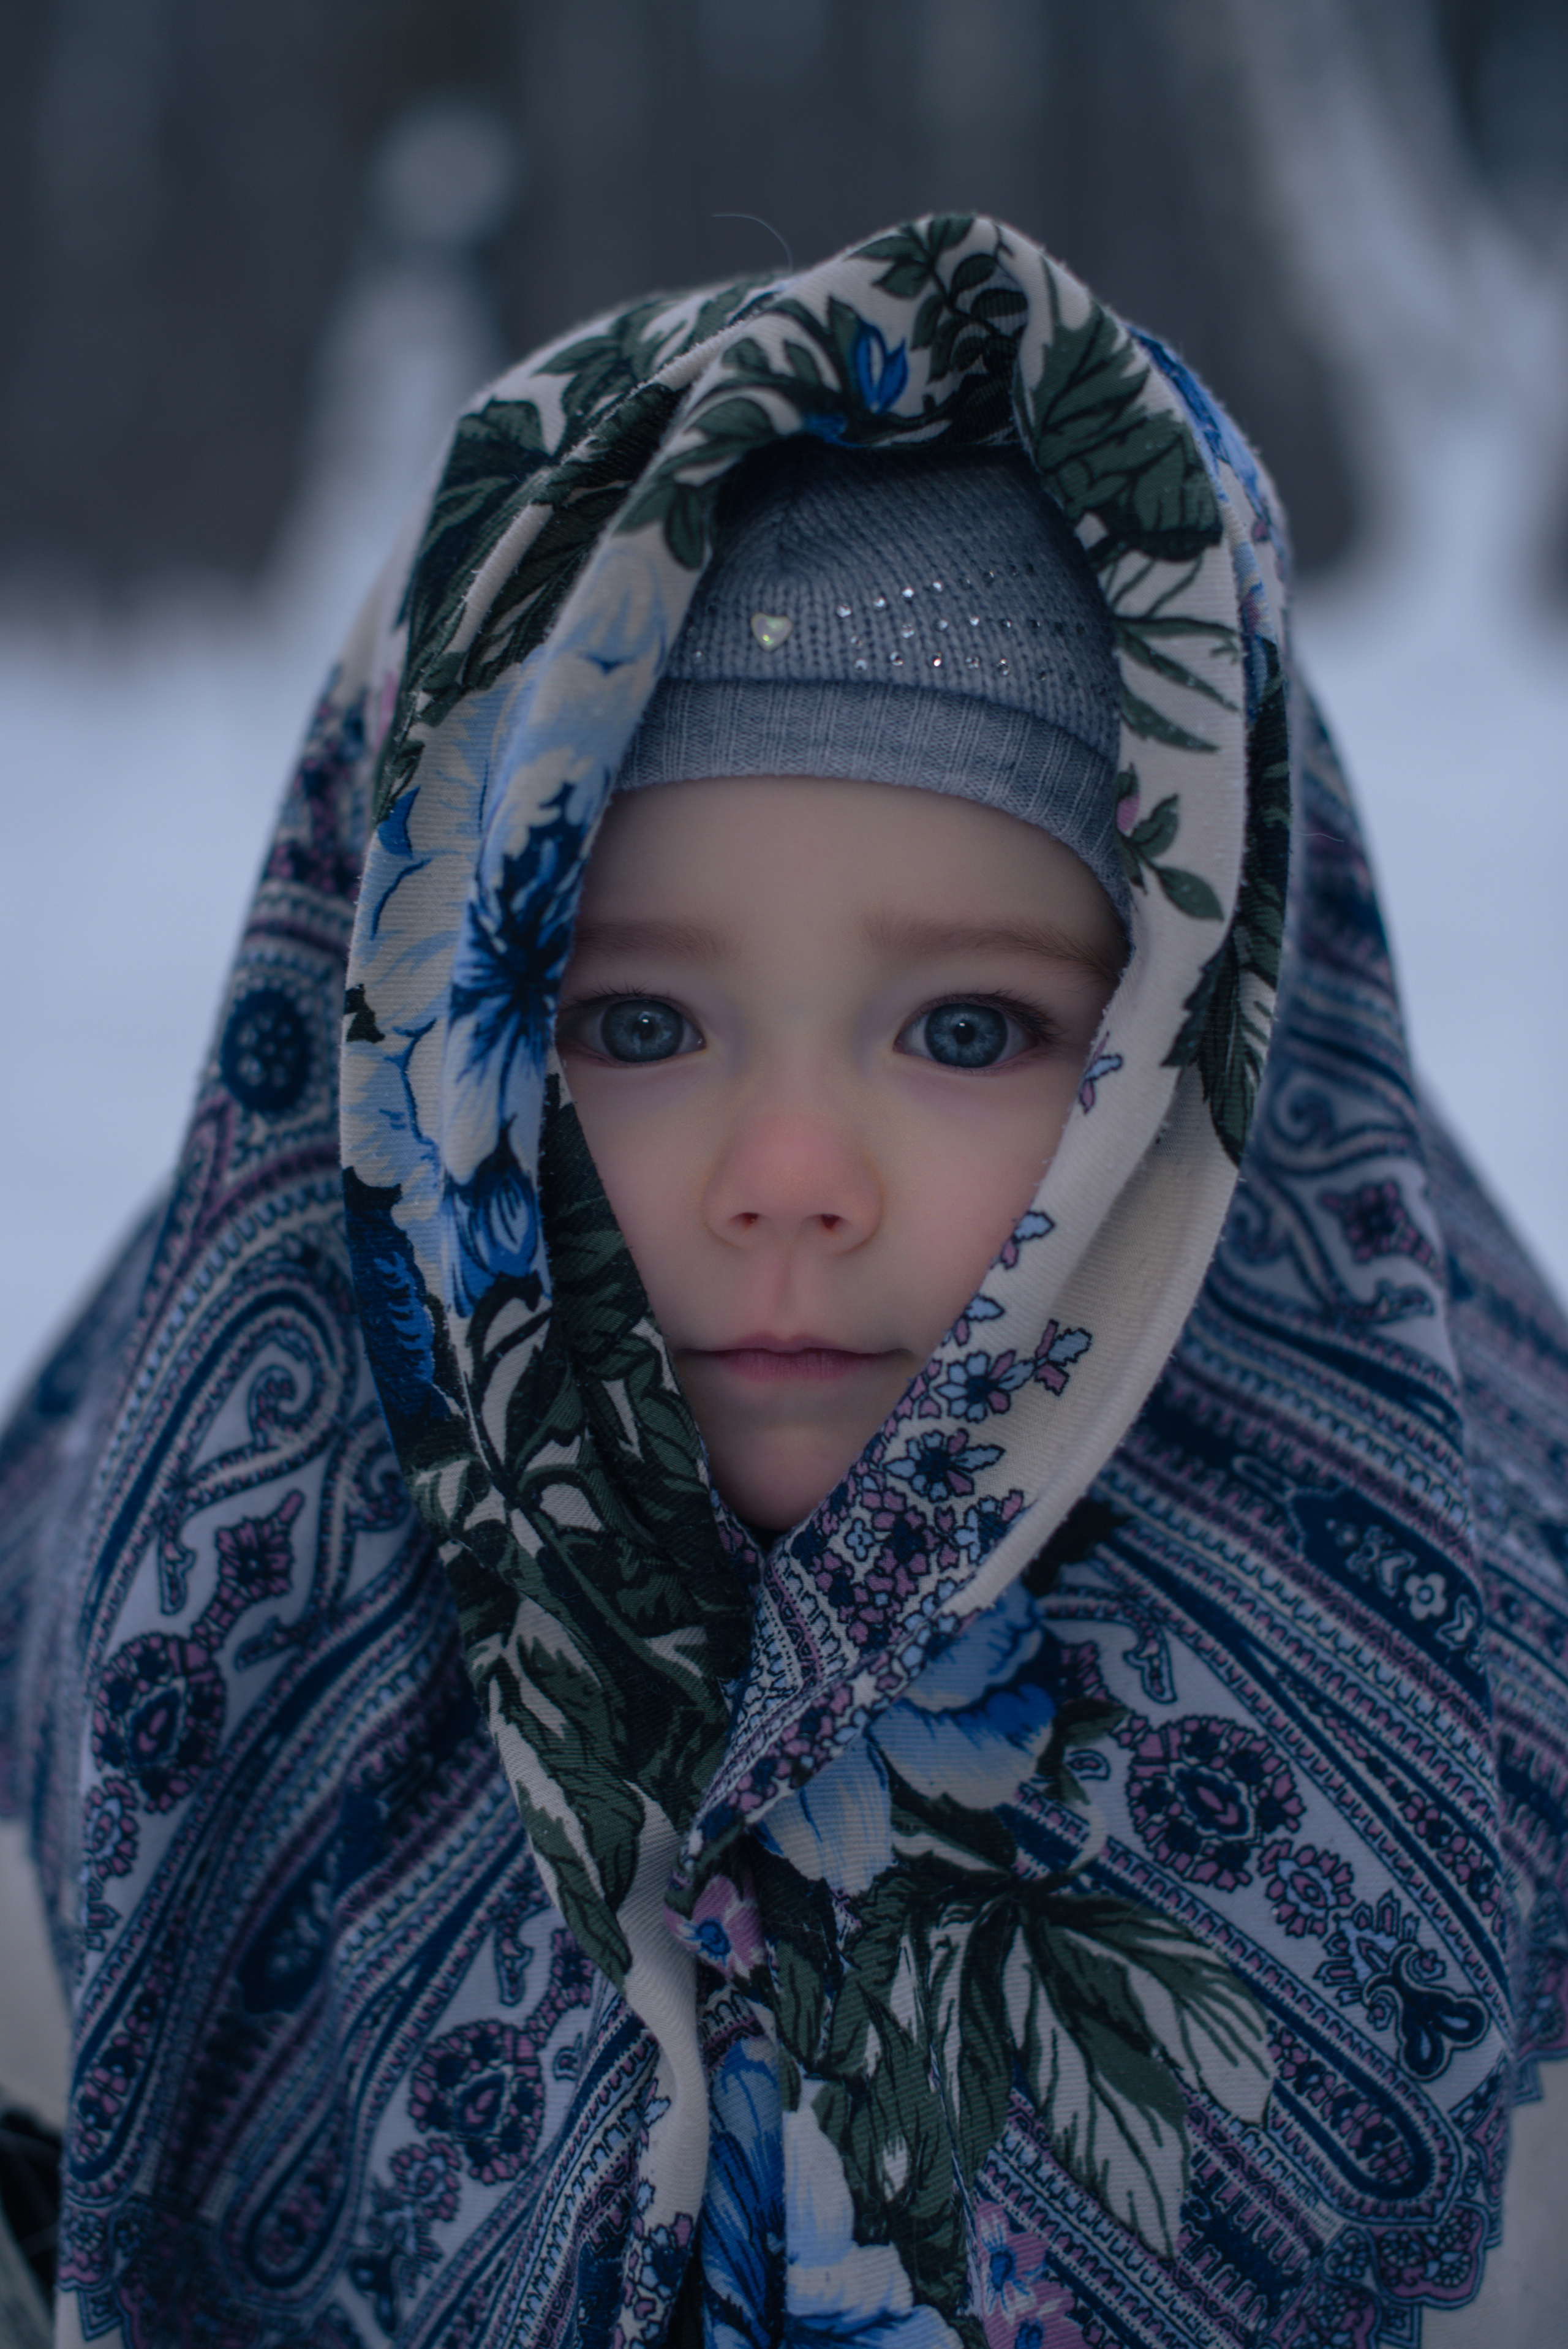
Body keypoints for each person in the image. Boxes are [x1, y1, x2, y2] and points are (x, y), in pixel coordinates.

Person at [2, 213, 1566, 2349]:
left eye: (971, 1030)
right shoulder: (117, 1714)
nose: (796, 1181)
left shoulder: (1500, 1749)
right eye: (635, 1025)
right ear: (411, 1045)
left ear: (1212, 1049)